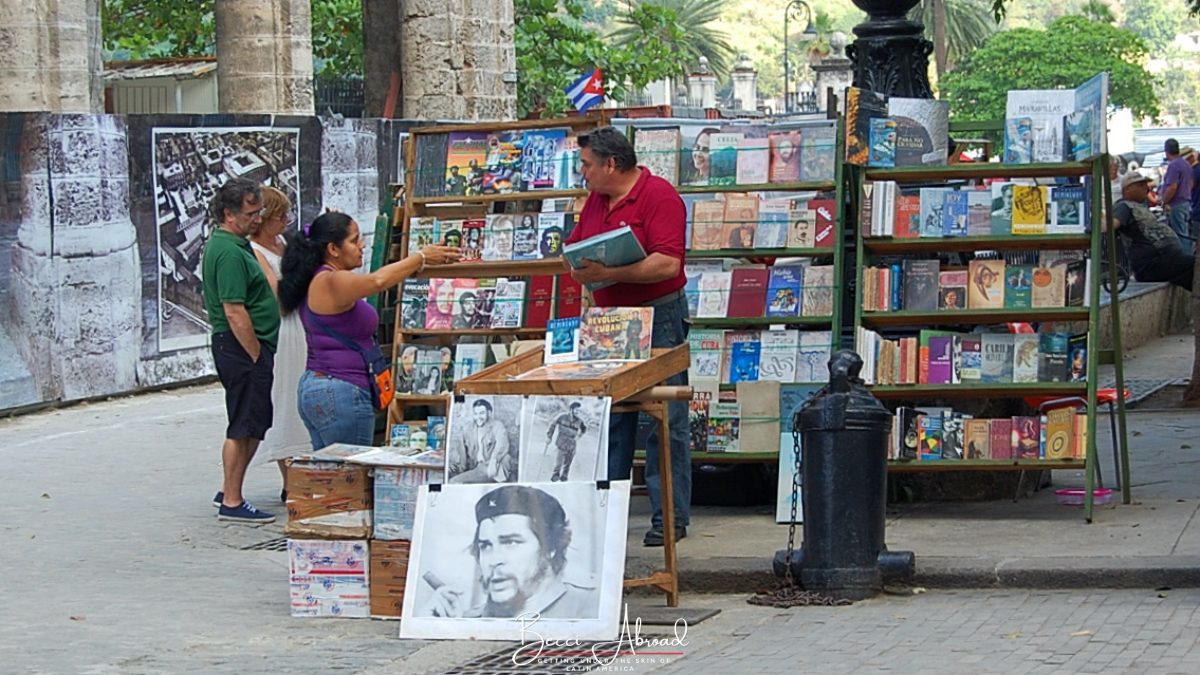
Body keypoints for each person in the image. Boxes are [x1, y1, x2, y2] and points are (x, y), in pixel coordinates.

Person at [564, 126, 691, 547]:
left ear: (610, 164)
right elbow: (579, 245)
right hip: (608, 318)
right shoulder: (596, 203)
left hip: (658, 313)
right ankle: (609, 509)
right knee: (612, 416)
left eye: (586, 165)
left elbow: (667, 264)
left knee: (665, 419)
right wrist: (580, 267)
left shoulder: (659, 196)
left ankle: (669, 518)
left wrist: (610, 273)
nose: (582, 173)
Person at [279, 212, 459, 449]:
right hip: (341, 389)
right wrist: (420, 257)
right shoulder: (331, 281)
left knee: (334, 476)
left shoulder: (318, 279)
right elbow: (376, 282)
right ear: (333, 249)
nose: (362, 246)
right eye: (354, 241)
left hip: (325, 386)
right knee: (351, 476)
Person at [201, 178, 280, 523]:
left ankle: (230, 488)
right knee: (243, 424)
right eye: (250, 213)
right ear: (229, 215)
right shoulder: (229, 252)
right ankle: (232, 499)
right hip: (241, 348)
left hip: (249, 346)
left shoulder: (236, 244)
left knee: (253, 422)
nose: (257, 219)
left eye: (258, 211)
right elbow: (234, 309)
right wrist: (254, 353)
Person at [421, 485, 599, 619]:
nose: (494, 560)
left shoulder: (591, 609)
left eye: (511, 542)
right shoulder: (467, 619)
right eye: (485, 546)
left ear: (550, 547)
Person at [246, 186, 309, 503]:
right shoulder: (255, 251)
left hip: (305, 324)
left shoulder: (282, 242)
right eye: (279, 216)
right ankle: (290, 478)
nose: (286, 221)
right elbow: (279, 295)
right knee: (286, 397)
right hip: (284, 330)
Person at [1113, 172, 1194, 291]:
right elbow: (1112, 223)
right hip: (1151, 264)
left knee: (1193, 270)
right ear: (1128, 189)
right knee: (1195, 266)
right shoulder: (1123, 206)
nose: (1147, 188)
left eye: (1146, 184)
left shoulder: (1140, 206)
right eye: (1141, 185)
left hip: (1165, 259)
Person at [448, 398, 515, 483]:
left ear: (489, 413)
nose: (478, 417)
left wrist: (494, 461)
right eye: (476, 414)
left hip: (490, 467)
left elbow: (502, 444)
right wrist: (452, 465)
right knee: (453, 480)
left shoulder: (497, 426)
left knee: (455, 482)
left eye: (482, 413)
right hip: (476, 468)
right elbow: (461, 452)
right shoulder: (468, 429)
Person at [1160, 138, 1194, 243]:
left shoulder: (1173, 165)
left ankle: (1184, 258)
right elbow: (1191, 184)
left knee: (1180, 236)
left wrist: (1164, 201)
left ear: (1166, 152)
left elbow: (1172, 187)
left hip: (1176, 204)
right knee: (1185, 233)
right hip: (1186, 203)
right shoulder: (1186, 164)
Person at [546, 402, 588, 482]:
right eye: (576, 410)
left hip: (572, 444)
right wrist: (549, 436)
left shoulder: (580, 421)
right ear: (571, 409)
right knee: (559, 462)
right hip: (561, 443)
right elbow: (552, 425)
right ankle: (556, 475)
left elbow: (584, 429)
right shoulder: (562, 417)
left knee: (568, 463)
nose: (578, 412)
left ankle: (564, 476)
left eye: (579, 411)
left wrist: (579, 436)